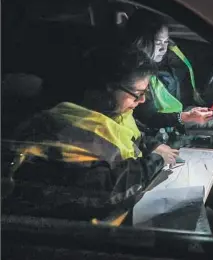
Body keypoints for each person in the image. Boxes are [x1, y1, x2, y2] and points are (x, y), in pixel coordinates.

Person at [2, 42, 174, 225]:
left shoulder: (111, 113)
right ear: (108, 88)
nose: (142, 100)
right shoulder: (60, 132)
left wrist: (152, 146)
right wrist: (154, 160)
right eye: (137, 93)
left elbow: (131, 137)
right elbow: (106, 191)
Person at [125, 9, 213, 133]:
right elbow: (149, 117)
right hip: (164, 124)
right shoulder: (135, 75)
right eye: (158, 43)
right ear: (140, 42)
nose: (163, 48)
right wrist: (185, 117)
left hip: (183, 110)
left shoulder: (172, 54)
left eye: (165, 42)